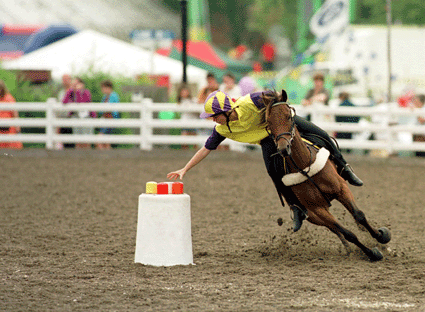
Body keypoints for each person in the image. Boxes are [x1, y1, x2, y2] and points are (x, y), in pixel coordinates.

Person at [167, 90, 363, 232]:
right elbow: (205, 149)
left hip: (283, 125)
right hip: (267, 139)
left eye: (214, 116)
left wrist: (278, 110)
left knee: (322, 135)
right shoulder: (222, 129)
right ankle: (296, 206)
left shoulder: (251, 101)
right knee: (273, 171)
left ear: (226, 111)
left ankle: (344, 168)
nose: (213, 120)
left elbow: (275, 95)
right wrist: (185, 169)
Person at [62, 77, 94, 149]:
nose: (75, 86)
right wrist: (70, 90)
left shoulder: (86, 92)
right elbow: (64, 101)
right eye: (73, 84)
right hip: (76, 117)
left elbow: (81, 102)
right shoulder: (71, 93)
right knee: (77, 139)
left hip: (86, 117)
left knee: (86, 140)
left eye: (76, 84)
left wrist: (78, 91)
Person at [97, 80, 120, 150]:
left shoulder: (114, 96)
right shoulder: (105, 96)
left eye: (103, 88)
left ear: (108, 87)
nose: (102, 90)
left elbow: (113, 109)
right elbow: (101, 109)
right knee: (106, 140)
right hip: (105, 119)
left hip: (110, 119)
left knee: (100, 138)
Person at [0, 80, 23, 149]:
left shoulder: (9, 98)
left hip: (9, 129)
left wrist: (17, 128)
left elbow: (15, 114)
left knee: (11, 147)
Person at [178, 84, 198, 149]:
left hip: (193, 122)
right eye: (183, 92)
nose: (184, 93)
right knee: (184, 140)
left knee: (195, 140)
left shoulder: (193, 100)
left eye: (185, 91)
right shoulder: (180, 102)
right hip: (185, 122)